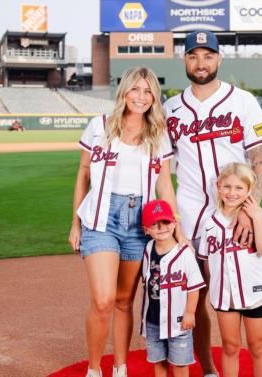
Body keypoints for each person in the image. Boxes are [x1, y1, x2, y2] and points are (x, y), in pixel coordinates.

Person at [163, 30, 262, 377]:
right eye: (194, 56)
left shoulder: (242, 100)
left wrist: (250, 210)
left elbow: (261, 159)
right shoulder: (171, 108)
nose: (201, 63)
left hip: (235, 213)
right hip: (189, 215)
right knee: (195, 298)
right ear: (184, 60)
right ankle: (210, 369)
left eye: (208, 55)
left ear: (219, 59)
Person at [68, 67, 184, 377]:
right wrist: (75, 222)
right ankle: (94, 369)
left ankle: (120, 367)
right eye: (136, 90)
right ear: (124, 91)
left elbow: (164, 185)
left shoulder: (158, 133)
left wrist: (176, 230)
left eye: (148, 92)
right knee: (104, 300)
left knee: (124, 300)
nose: (141, 97)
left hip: (140, 222)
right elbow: (83, 174)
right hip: (102, 219)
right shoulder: (99, 126)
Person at [198, 163, 262, 377]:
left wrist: (256, 217)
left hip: (254, 293)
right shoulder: (209, 223)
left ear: (249, 191)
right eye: (228, 187)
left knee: (257, 346)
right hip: (224, 296)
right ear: (219, 186)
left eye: (239, 188)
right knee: (230, 346)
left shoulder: (257, 217)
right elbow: (207, 262)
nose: (232, 193)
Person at [140, 199, 206, 377]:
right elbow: (146, 282)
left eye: (166, 222)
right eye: (154, 224)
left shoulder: (185, 253)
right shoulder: (148, 249)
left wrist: (190, 313)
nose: (161, 227)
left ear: (174, 224)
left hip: (178, 322)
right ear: (146, 229)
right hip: (153, 320)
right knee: (158, 361)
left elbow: (194, 287)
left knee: (180, 363)